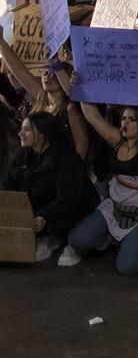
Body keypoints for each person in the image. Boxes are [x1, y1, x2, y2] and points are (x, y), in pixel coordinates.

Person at [60, 104, 138, 275]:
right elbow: (93, 117)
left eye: (132, 120)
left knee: (127, 267)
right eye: (123, 118)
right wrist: (82, 88)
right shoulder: (117, 140)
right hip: (115, 207)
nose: (125, 123)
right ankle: (115, 240)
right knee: (77, 240)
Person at [3, 111, 95, 262]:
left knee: (72, 233)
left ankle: (56, 238)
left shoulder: (66, 160)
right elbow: (10, 182)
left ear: (43, 134)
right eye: (21, 129)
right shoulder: (23, 154)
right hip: (37, 208)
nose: (20, 134)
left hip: (67, 212)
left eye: (27, 130)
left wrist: (45, 216)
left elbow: (69, 199)